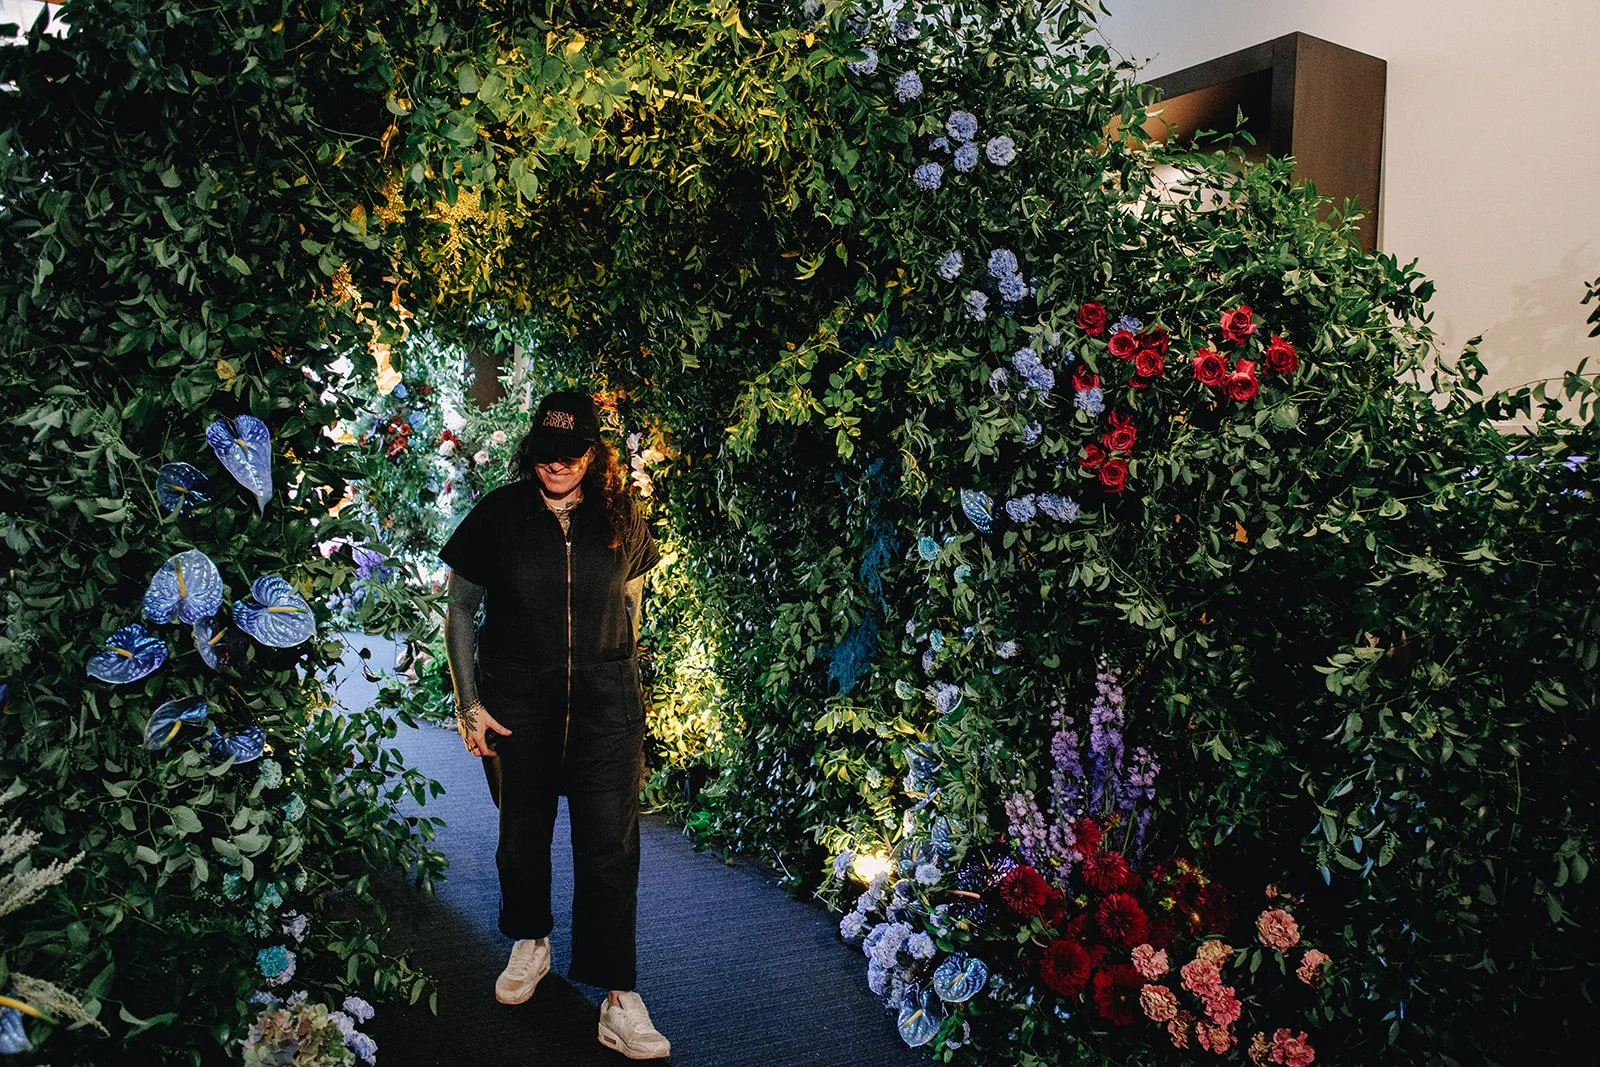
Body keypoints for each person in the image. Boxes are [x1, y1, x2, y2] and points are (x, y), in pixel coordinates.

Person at [438, 390, 669, 1060]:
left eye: (572, 455)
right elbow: (458, 611)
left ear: (593, 455)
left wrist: (624, 676)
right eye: (546, 454)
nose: (558, 466)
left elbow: (632, 598)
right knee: (522, 834)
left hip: (606, 706)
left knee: (611, 848)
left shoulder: (620, 515)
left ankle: (619, 997)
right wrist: (468, 702)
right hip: (517, 704)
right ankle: (531, 941)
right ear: (531, 450)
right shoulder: (499, 515)